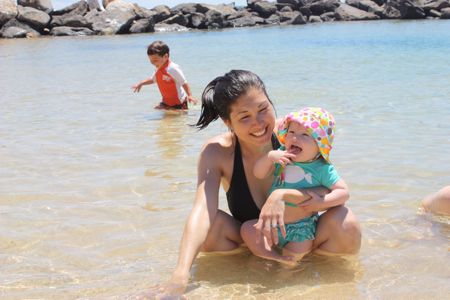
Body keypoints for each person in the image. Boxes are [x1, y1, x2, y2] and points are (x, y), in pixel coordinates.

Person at [148, 70, 361, 298]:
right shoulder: (217, 152)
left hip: (303, 234)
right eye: (244, 117)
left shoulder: (293, 134)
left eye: (263, 110)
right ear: (227, 122)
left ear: (271, 102)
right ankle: (252, 272)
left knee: (345, 221)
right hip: (252, 240)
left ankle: (325, 281)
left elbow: (328, 187)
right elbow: (202, 211)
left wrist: (282, 196)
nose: (259, 124)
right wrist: (180, 276)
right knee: (212, 227)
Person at [241, 107, 350, 265]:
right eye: (291, 132)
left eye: (305, 135)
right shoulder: (282, 155)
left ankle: (286, 269)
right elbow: (258, 173)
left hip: (301, 228)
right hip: (272, 224)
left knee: (293, 259)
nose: (295, 138)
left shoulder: (322, 168)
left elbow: (343, 192)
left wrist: (322, 202)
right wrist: (269, 157)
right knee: (247, 228)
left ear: (320, 145)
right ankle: (272, 257)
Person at [132, 40, 197, 110]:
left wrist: (190, 95)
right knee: (157, 111)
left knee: (179, 119)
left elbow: (183, 82)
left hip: (179, 103)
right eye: (151, 61)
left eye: (155, 60)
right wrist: (141, 83)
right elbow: (153, 79)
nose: (153, 63)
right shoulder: (158, 68)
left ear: (165, 56)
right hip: (166, 102)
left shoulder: (172, 68)